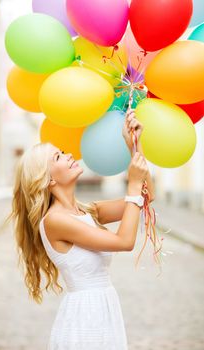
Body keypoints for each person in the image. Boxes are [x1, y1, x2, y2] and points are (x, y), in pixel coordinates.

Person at [9, 110, 155, 349]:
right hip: (85, 318)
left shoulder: (89, 211)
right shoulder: (55, 221)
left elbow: (146, 197)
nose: (67, 156)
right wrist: (134, 182)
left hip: (104, 308)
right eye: (57, 157)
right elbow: (124, 242)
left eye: (63, 152)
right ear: (48, 180)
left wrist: (135, 148)